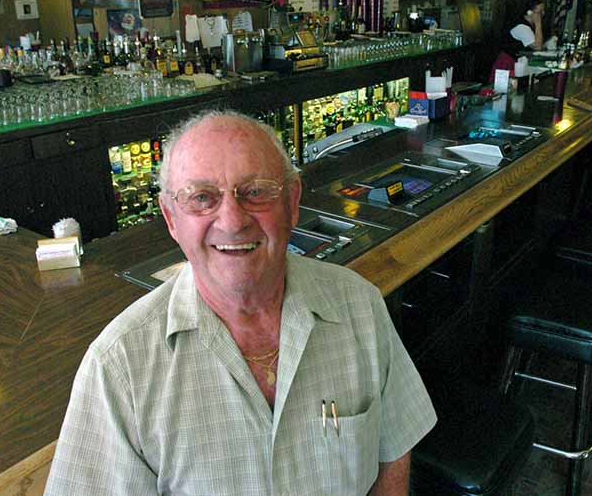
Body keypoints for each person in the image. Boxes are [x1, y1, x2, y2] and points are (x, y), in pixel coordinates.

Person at [44, 111, 437, 496]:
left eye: (254, 192)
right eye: (202, 198)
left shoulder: (359, 306)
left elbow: (394, 452)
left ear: (293, 201)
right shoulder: (119, 367)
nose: (232, 220)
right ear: (171, 217)